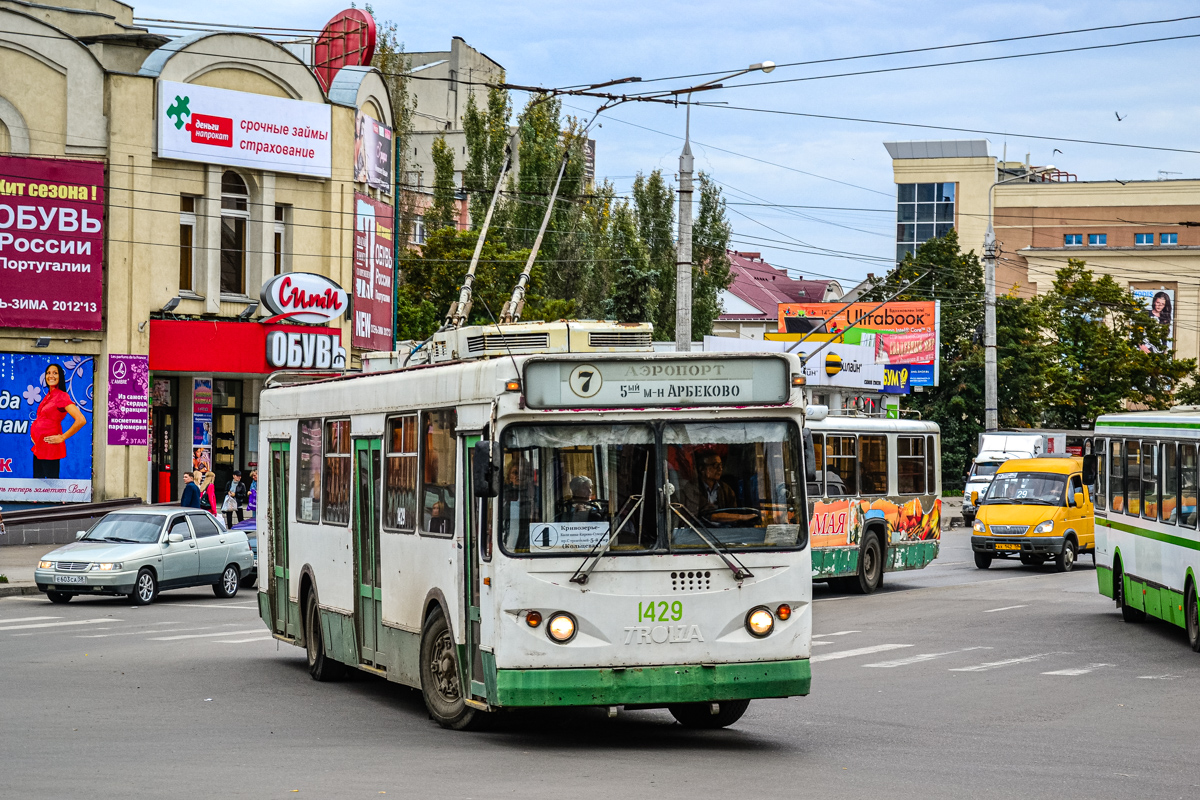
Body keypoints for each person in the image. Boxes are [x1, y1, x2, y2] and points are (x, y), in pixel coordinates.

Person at [29, 363, 87, 479]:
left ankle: (59, 498)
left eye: (55, 373)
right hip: (39, 446)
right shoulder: (48, 396)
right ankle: (36, 498)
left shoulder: (62, 396)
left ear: (60, 376)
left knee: (52, 485)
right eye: (48, 373)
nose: (51, 376)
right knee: (37, 483)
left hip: (50, 447)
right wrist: (35, 435)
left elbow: (81, 420)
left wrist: (62, 437)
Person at [681, 450, 738, 520]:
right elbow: (706, 514)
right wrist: (743, 517)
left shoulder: (726, 489)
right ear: (702, 469)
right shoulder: (691, 488)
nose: (720, 469)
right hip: (699, 529)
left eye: (721, 465)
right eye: (716, 465)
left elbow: (733, 514)